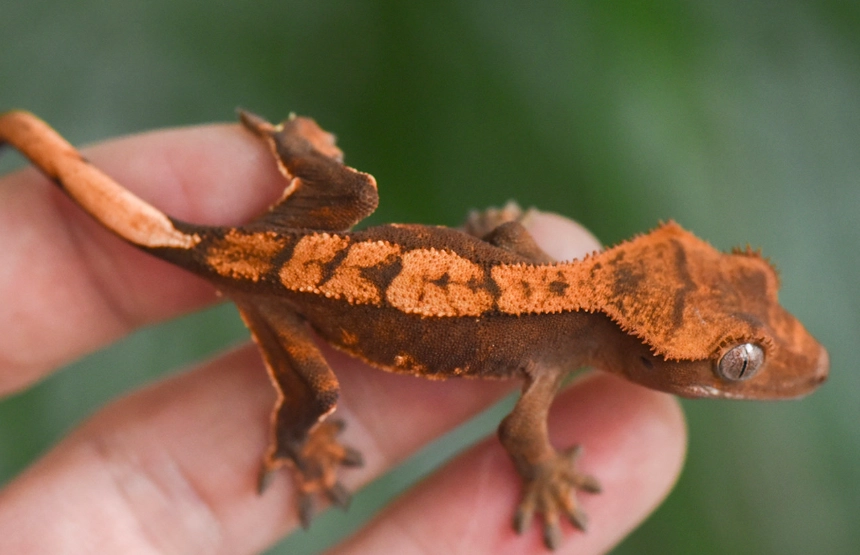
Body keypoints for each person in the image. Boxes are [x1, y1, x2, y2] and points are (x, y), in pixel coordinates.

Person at [0, 121, 685, 553]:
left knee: (352, 193)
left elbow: (505, 238)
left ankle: (293, 143)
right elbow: (522, 439)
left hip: (296, 253)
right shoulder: (545, 363)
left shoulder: (539, 288)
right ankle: (299, 443)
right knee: (317, 393)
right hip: (281, 291)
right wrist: (548, 475)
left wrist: (296, 147)